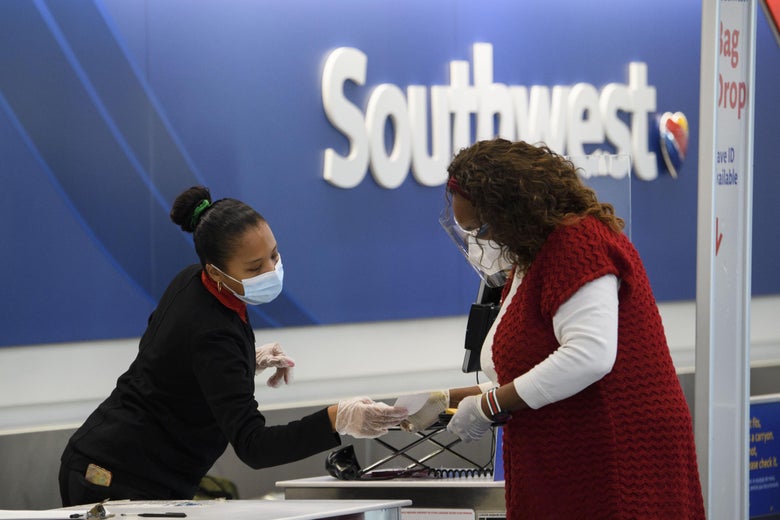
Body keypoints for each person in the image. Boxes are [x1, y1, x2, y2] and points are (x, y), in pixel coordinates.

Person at [403, 139, 705, 519]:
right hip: (566, 456)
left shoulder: (580, 243)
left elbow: (588, 356)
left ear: (511, 209)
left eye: (480, 227)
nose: (479, 240)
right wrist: (444, 398)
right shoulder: (532, 257)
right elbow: (531, 368)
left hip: (615, 457)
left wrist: (487, 407)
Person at [59, 186, 408, 506]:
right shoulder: (212, 330)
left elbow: (164, 356)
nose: (271, 271)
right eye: (255, 267)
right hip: (114, 476)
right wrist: (336, 418)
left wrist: (241, 362)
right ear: (215, 272)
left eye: (274, 255)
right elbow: (254, 446)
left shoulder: (193, 282)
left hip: (125, 464)